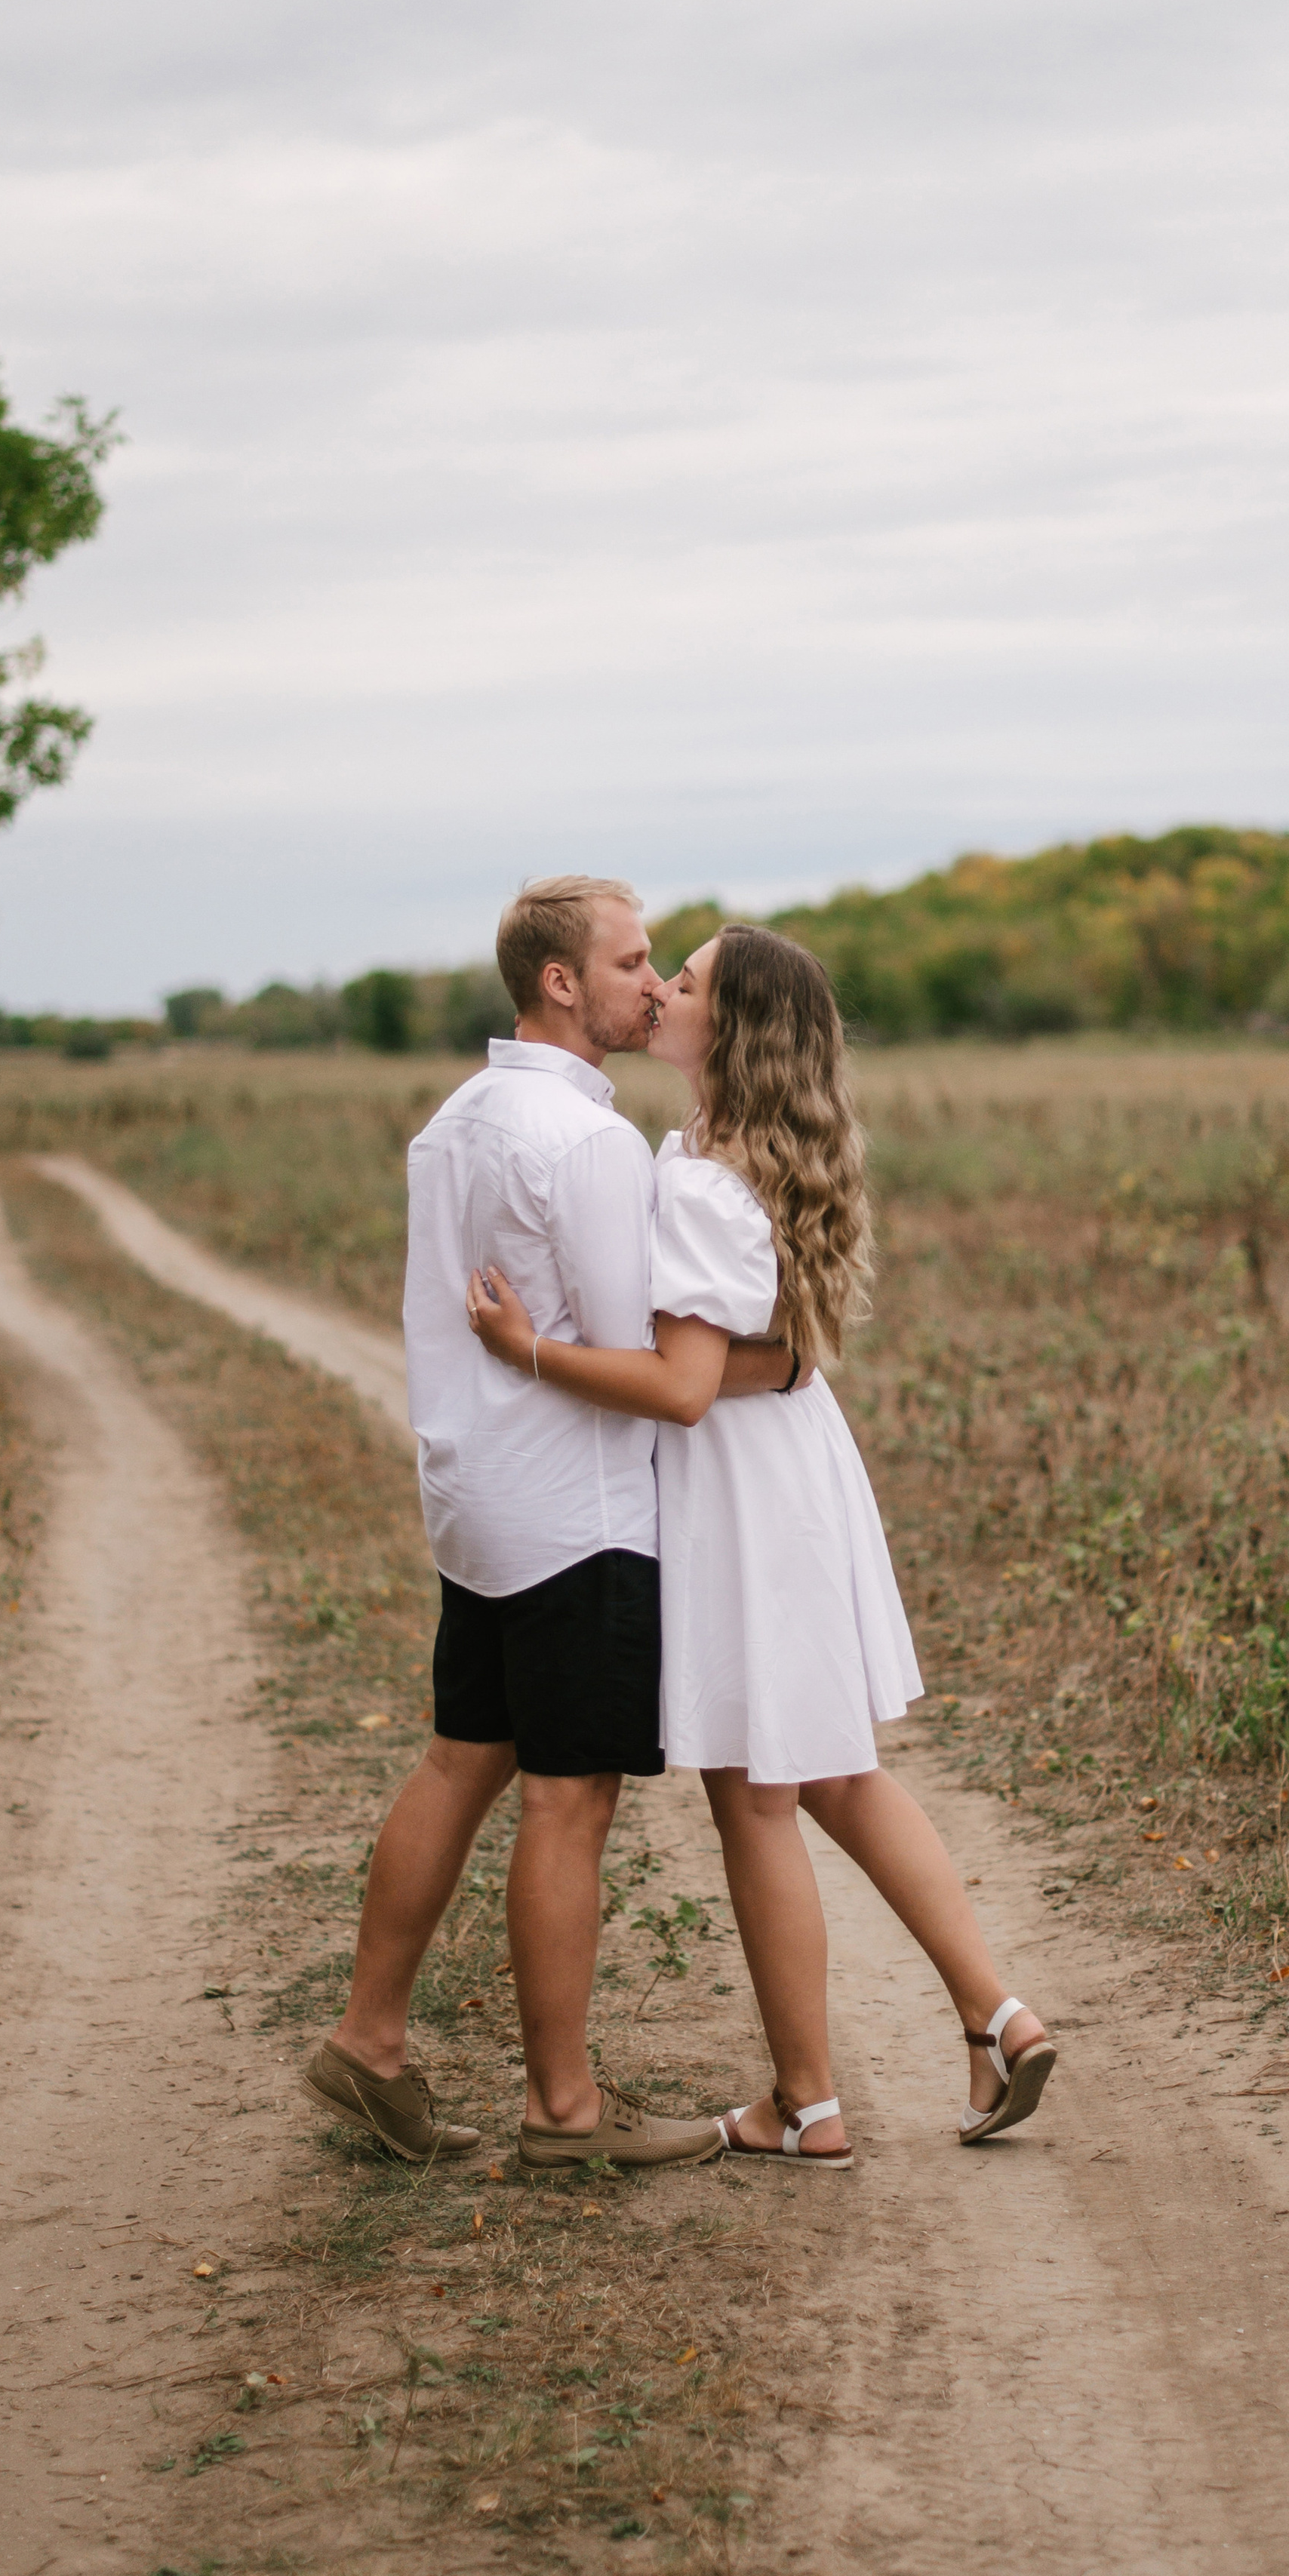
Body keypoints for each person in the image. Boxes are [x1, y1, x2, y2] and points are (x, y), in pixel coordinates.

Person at [468, 923, 1057, 2164]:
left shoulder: (697, 1177)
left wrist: (529, 1352)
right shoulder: (756, 1152)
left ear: (724, 1028)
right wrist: (767, 1365)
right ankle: (995, 2016)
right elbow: (778, 1351)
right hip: (792, 1463)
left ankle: (809, 2103)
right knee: (836, 1768)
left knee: (756, 1794)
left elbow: (684, 1387)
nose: (659, 990)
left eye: (682, 982)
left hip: (738, 1488)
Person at [303, 876, 799, 2171]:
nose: (653, 984)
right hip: (578, 1511)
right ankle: (566, 2111)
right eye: (632, 963)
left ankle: (368, 2044)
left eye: (656, 963)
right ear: (561, 982)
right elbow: (648, 1360)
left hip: (478, 1497)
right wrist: (778, 1364)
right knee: (568, 1800)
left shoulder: (454, 1120)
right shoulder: (589, 1142)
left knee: (462, 1760)